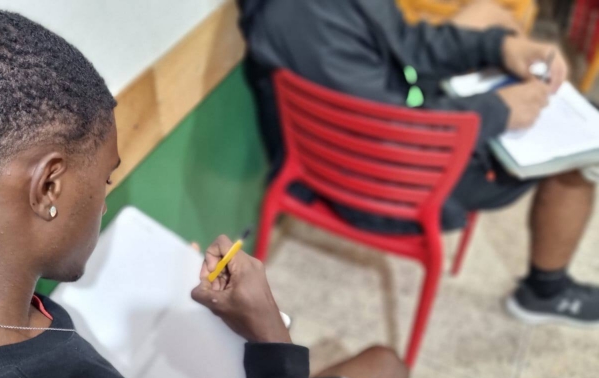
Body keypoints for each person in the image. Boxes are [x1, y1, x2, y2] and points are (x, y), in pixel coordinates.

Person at [0, 10, 408, 378]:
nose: (105, 201)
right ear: (48, 187)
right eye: (106, 178)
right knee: (385, 368)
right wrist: (271, 351)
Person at [238, 0, 599, 325]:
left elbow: (406, 44)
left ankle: (546, 287)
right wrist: (496, 110)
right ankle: (546, 291)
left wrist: (500, 47)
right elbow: (384, 131)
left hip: (391, 128)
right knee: (579, 153)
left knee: (496, 24)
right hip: (373, 183)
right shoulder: (297, 17)